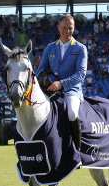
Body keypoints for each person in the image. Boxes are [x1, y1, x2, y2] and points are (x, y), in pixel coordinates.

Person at [36, 15, 87, 148]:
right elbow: (40, 71)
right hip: (51, 90)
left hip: (72, 91)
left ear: (74, 28)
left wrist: (61, 84)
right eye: (64, 27)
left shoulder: (81, 49)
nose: (67, 31)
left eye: (70, 28)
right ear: (58, 28)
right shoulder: (50, 48)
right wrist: (47, 80)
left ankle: (77, 149)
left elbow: (81, 75)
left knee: (72, 113)